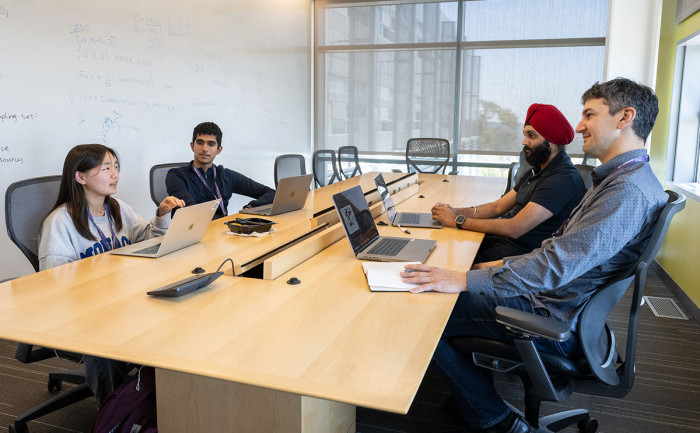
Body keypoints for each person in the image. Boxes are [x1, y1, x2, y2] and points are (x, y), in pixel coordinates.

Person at [402, 78, 667, 433]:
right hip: (563, 304)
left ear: (625, 118)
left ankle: (495, 419)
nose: (579, 126)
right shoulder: (621, 179)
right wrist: (488, 268)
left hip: (553, 315)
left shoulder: (626, 192)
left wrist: (465, 278)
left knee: (423, 313)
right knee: (452, 286)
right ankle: (472, 396)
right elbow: (556, 251)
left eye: (589, 114)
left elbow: (554, 267)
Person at [38, 144, 185, 407]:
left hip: (122, 303)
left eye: (116, 167)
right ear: (80, 177)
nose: (115, 174)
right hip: (83, 315)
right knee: (103, 341)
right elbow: (53, 284)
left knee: (174, 310)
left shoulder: (117, 208)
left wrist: (161, 216)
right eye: (106, 168)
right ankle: (114, 410)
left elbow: (148, 239)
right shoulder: (61, 223)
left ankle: (157, 394)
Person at [431, 104, 586, 264]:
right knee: (441, 248)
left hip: (519, 256)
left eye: (531, 136)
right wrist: (455, 211)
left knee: (446, 260)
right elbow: (497, 207)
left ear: (553, 141)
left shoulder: (562, 179)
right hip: (503, 243)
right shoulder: (537, 170)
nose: (524, 142)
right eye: (525, 135)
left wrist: (458, 220)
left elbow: (514, 228)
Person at [165, 121, 276, 219]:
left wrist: (250, 208)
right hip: (190, 234)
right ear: (192, 146)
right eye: (200, 143)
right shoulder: (176, 176)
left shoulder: (225, 175)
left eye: (211, 144)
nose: (204, 149)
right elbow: (193, 212)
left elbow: (272, 193)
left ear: (219, 150)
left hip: (222, 233)